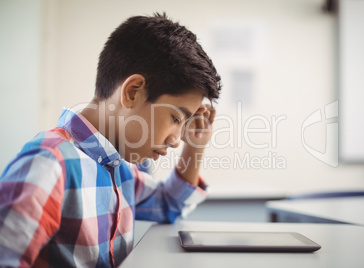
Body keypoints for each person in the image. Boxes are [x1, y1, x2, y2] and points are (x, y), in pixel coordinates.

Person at [0, 13, 221, 267]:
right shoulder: (50, 164)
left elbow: (167, 204)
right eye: (175, 117)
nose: (175, 140)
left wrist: (195, 145)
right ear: (132, 91)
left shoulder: (120, 169)